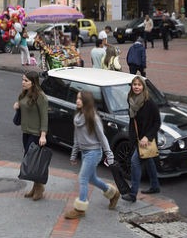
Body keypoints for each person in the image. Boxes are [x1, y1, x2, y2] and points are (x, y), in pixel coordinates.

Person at [63, 91, 120, 219]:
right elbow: (77, 138)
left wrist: (109, 155)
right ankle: (113, 193)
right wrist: (73, 154)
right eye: (77, 98)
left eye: (81, 99)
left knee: (82, 178)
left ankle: (80, 209)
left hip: (94, 152)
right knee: (91, 178)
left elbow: (102, 137)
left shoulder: (93, 117)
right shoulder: (77, 117)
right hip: (85, 152)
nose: (77, 101)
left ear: (87, 102)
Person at [122, 76, 161, 203]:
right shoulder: (131, 100)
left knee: (135, 162)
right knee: (148, 160)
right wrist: (132, 138)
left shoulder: (149, 102)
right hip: (137, 139)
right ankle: (155, 186)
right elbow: (133, 121)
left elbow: (157, 122)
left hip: (146, 139)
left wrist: (147, 137)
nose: (137, 87)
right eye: (134, 84)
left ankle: (133, 194)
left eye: (139, 84)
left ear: (143, 87)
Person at [13, 71, 49, 201]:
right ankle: (36, 188)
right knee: (30, 162)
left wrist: (43, 135)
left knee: (33, 162)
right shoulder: (24, 94)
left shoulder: (41, 97)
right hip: (26, 132)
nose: (23, 82)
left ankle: (39, 188)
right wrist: (17, 106)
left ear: (33, 83)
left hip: (36, 134)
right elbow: (23, 107)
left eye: (26, 80)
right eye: (22, 80)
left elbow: (44, 117)